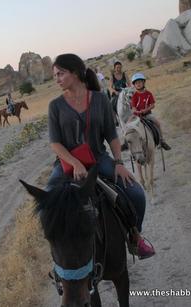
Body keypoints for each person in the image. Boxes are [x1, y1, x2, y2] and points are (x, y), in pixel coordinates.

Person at [47, 53, 155, 259]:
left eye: (60, 74)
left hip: (99, 159)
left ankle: (135, 237)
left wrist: (119, 163)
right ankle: (59, 257)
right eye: (55, 75)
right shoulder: (55, 106)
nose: (57, 79)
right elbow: (55, 143)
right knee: (47, 206)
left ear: (75, 72)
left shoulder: (100, 99)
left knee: (137, 194)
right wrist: (76, 163)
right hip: (66, 164)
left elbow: (111, 135)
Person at [130, 73, 171, 151]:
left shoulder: (148, 94)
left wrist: (145, 110)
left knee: (157, 123)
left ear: (143, 83)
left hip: (147, 115)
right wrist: (137, 112)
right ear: (134, 85)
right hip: (137, 116)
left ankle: (162, 140)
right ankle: (128, 143)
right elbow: (133, 107)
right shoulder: (134, 96)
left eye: (140, 82)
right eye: (136, 83)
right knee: (128, 125)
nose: (138, 84)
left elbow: (152, 105)